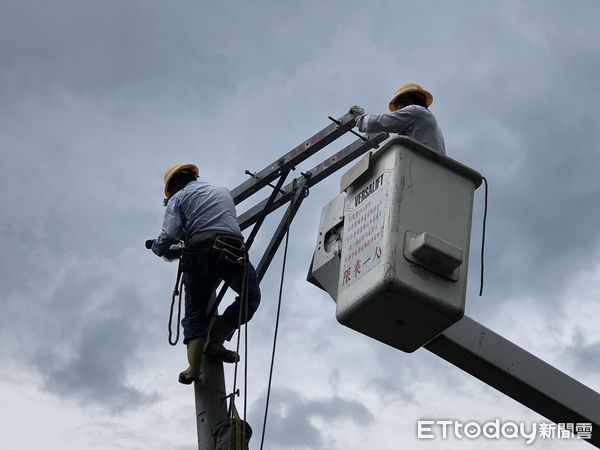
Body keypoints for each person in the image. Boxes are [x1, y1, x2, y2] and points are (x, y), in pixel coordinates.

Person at [149, 164, 261, 384]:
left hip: (199, 252)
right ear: (194, 177)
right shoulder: (221, 190)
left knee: (195, 312)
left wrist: (158, 248)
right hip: (230, 248)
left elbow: (170, 233)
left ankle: (194, 368)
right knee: (250, 296)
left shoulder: (177, 198)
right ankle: (215, 341)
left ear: (173, 185)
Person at [350, 82, 446, 155]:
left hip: (420, 165)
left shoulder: (415, 111)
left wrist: (360, 118)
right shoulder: (426, 118)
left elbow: (378, 122)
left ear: (404, 100)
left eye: (398, 104)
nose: (398, 110)